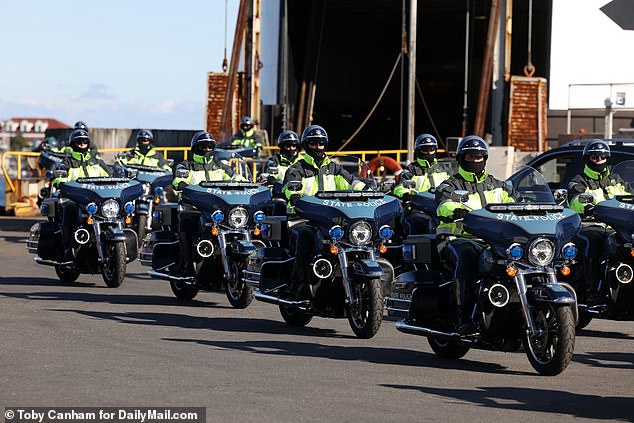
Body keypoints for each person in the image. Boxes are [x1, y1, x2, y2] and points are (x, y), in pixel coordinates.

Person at [436, 135, 514, 333]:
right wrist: (455, 210)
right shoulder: (451, 185)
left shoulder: (499, 185)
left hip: (492, 241)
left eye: (479, 156)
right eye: (471, 156)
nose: (476, 160)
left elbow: (517, 203)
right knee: (467, 256)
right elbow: (442, 205)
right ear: (462, 159)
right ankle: (462, 316)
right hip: (457, 239)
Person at [282, 124, 365, 297]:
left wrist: (369, 189)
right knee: (305, 238)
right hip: (302, 219)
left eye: (321, 143)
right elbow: (289, 187)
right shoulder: (296, 169)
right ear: (306, 145)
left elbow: (352, 183)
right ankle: (299, 284)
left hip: (331, 220)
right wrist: (294, 196)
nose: (318, 147)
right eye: (313, 143)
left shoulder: (334, 168)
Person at [567, 140, 631, 304]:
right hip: (590, 224)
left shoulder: (616, 180)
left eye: (602, 156)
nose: (599, 159)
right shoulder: (579, 181)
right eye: (595, 157)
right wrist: (585, 205)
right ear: (588, 159)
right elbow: (575, 199)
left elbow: (630, 196)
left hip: (617, 226)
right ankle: (592, 290)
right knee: (592, 242)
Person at [171, 131, 240, 276]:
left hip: (217, 209)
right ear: (196, 148)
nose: (207, 150)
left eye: (210, 146)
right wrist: (182, 184)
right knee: (187, 223)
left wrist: (252, 183)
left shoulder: (220, 166)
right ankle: (187, 263)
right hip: (193, 208)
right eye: (204, 146)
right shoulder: (186, 166)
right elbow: (178, 179)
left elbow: (237, 177)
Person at [52, 129, 112, 259]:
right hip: (75, 199)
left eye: (85, 141)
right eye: (79, 142)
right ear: (73, 144)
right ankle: (67, 247)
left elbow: (111, 175)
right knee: (69, 209)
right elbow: (58, 177)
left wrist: (122, 176)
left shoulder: (96, 161)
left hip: (95, 199)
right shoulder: (66, 162)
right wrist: (60, 181)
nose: (82, 144)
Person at [393, 133, 450, 235]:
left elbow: (454, 186)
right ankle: (416, 250)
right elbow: (400, 186)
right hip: (418, 208)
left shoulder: (444, 169)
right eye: (425, 150)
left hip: (441, 208)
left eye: (431, 150)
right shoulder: (411, 169)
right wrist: (406, 194)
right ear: (418, 151)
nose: (429, 153)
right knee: (417, 223)